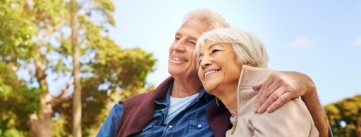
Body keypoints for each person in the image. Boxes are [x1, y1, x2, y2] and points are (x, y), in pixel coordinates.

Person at [97, 8, 330, 137]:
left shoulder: (231, 110)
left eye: (192, 43)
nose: (177, 46)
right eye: (177, 37)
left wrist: (308, 88)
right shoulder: (126, 110)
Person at [195, 28, 319, 136]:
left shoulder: (274, 99)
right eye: (200, 60)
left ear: (248, 59)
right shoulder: (232, 122)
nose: (204, 63)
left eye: (215, 51)